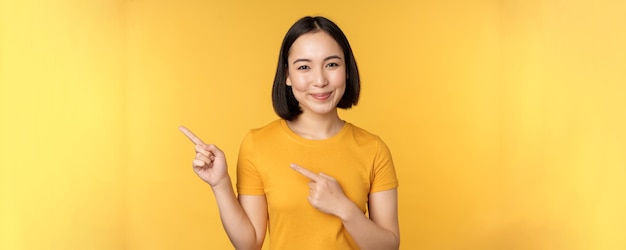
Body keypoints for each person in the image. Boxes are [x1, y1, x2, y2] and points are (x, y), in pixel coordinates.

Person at [180, 16, 399, 250]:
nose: (320, 80)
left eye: (332, 64)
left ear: (347, 70)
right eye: (304, 67)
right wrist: (220, 184)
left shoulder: (373, 149)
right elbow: (249, 244)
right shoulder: (257, 144)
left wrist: (343, 208)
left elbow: (388, 247)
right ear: (287, 75)